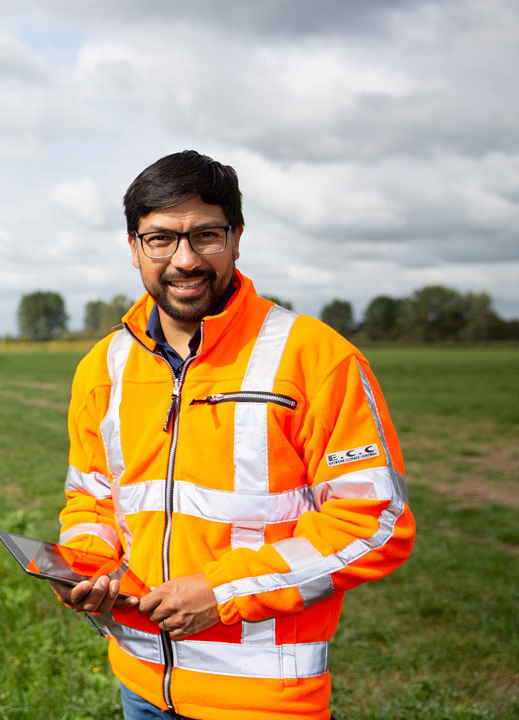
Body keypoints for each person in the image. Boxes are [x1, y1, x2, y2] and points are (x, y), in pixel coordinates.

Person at [50, 151, 415, 720]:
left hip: (264, 700)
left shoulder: (316, 358)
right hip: (141, 684)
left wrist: (224, 590)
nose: (185, 259)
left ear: (237, 239)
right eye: (162, 239)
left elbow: (374, 524)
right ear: (133, 247)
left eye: (206, 235)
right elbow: (94, 499)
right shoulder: (103, 366)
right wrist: (84, 564)